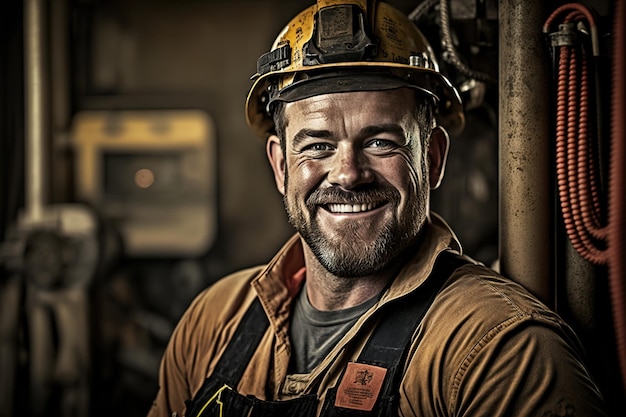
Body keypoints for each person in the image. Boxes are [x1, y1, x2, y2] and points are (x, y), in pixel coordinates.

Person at [148, 1, 606, 416]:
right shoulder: (212, 323)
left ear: (432, 158)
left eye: (381, 141)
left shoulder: (497, 354)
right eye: (318, 146)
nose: (348, 173)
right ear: (280, 165)